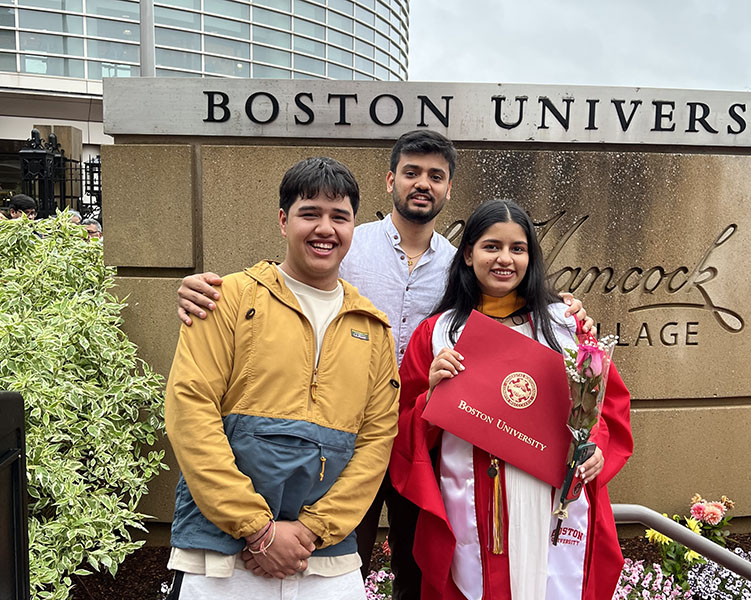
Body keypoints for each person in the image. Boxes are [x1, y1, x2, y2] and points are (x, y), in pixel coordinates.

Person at [175, 131, 592, 599]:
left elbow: (515, 309)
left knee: (419, 561)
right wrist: (206, 290)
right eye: (412, 172)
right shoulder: (350, 244)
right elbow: (293, 283)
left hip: (424, 441)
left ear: (449, 188)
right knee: (347, 550)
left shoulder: (464, 266)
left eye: (436, 176)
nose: (423, 184)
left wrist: (563, 309)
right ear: (391, 179)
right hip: (343, 437)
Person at [164, 157, 400, 599]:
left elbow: (376, 441)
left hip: (327, 559)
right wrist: (257, 528)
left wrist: (311, 530)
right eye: (309, 213)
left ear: (354, 228)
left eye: (339, 217)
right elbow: (190, 412)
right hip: (218, 555)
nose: (325, 229)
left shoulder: (373, 328)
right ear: (283, 219)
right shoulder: (225, 299)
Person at [389, 199, 632, 600]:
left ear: (530, 257)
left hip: (550, 496)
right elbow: (401, 432)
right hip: (470, 499)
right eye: (491, 246)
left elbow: (606, 408)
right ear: (468, 254)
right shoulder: (437, 334)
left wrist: (596, 449)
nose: (505, 259)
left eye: (517, 249)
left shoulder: (564, 326)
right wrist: (431, 399)